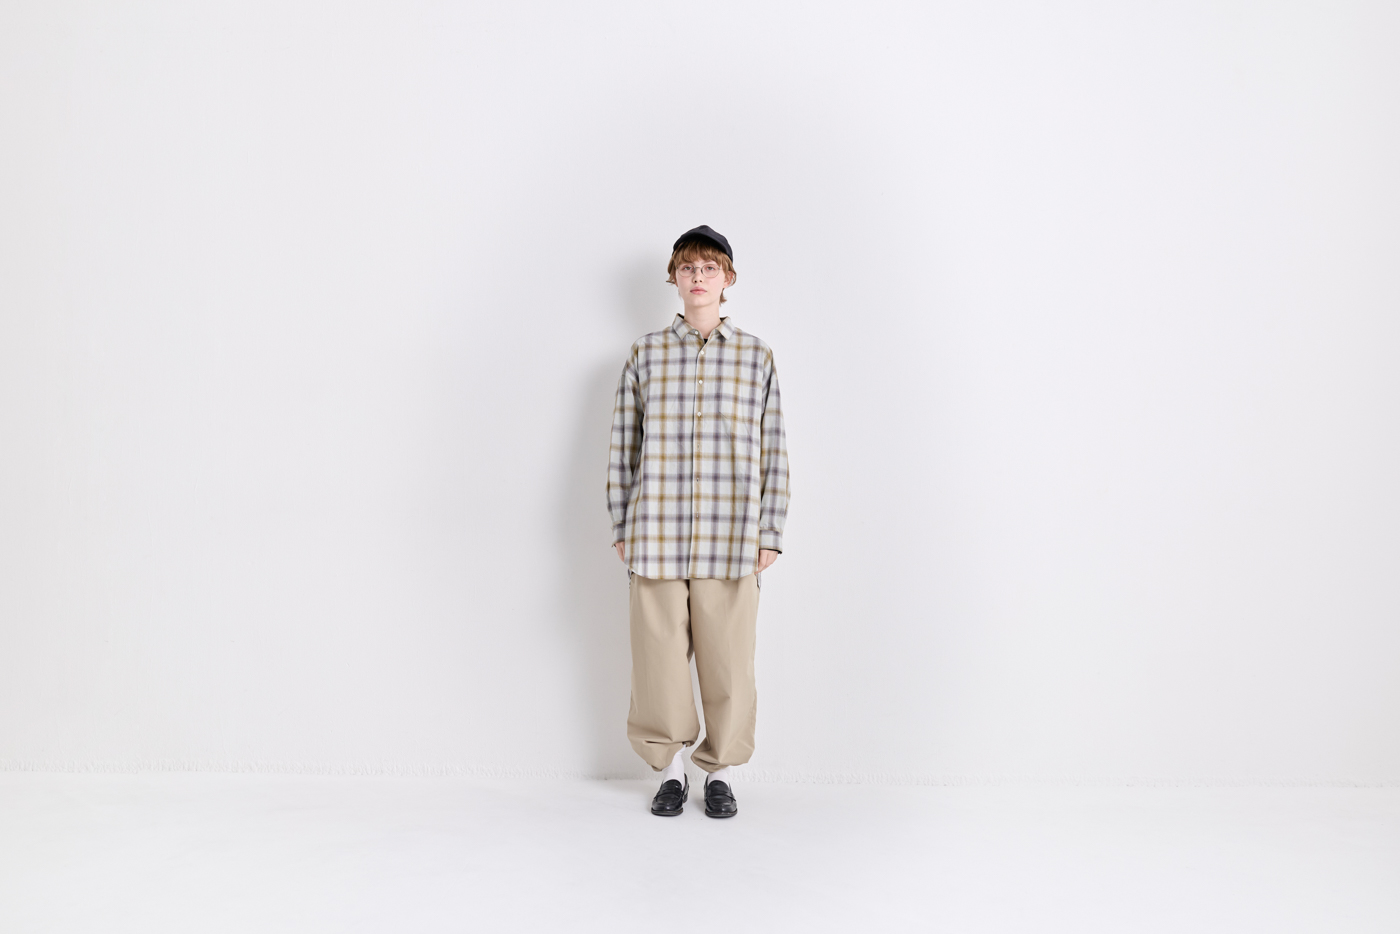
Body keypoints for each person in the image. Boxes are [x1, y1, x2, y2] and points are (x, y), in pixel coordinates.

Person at [606, 225, 790, 818]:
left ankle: (719, 773)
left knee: (728, 665)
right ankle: (670, 772)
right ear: (675, 278)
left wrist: (770, 531)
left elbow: (774, 449)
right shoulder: (645, 354)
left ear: (727, 278)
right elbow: (623, 446)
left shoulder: (756, 356)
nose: (699, 277)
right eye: (688, 268)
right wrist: (621, 526)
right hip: (655, 536)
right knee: (658, 666)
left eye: (710, 268)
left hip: (731, 538)